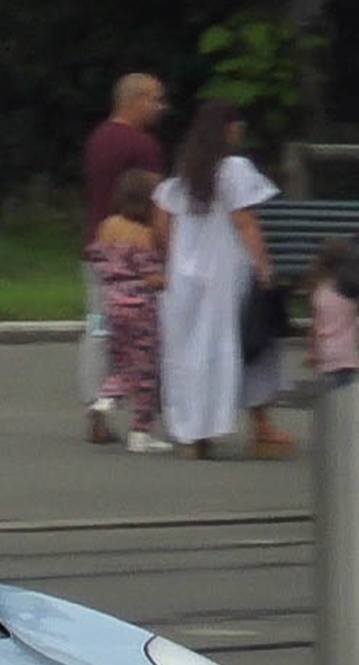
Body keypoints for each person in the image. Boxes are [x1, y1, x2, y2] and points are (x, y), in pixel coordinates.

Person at [152, 101, 292, 459]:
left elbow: (162, 225)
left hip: (184, 277)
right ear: (228, 128)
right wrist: (264, 267)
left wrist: (177, 260)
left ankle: (193, 434)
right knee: (248, 343)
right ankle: (260, 426)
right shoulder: (234, 169)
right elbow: (245, 222)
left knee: (190, 352)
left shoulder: (184, 172)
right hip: (226, 272)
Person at [80, 73, 170, 442]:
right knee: (143, 343)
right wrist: (164, 248)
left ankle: (96, 407)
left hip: (99, 249)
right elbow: (159, 203)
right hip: (138, 255)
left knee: (99, 328)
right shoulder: (143, 145)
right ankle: (144, 417)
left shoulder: (98, 138)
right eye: (155, 99)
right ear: (133, 99)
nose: (161, 108)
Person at [86, 167, 170, 451]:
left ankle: (104, 400)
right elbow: (151, 277)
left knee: (121, 364)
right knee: (146, 371)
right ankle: (141, 432)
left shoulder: (108, 226)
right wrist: (169, 280)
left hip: (111, 306)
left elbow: (95, 256)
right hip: (141, 310)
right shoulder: (144, 235)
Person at [307, 238, 359, 392]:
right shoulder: (351, 293)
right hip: (347, 356)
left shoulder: (319, 293)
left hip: (326, 354)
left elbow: (315, 327)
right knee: (345, 402)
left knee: (329, 403)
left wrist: (312, 352)